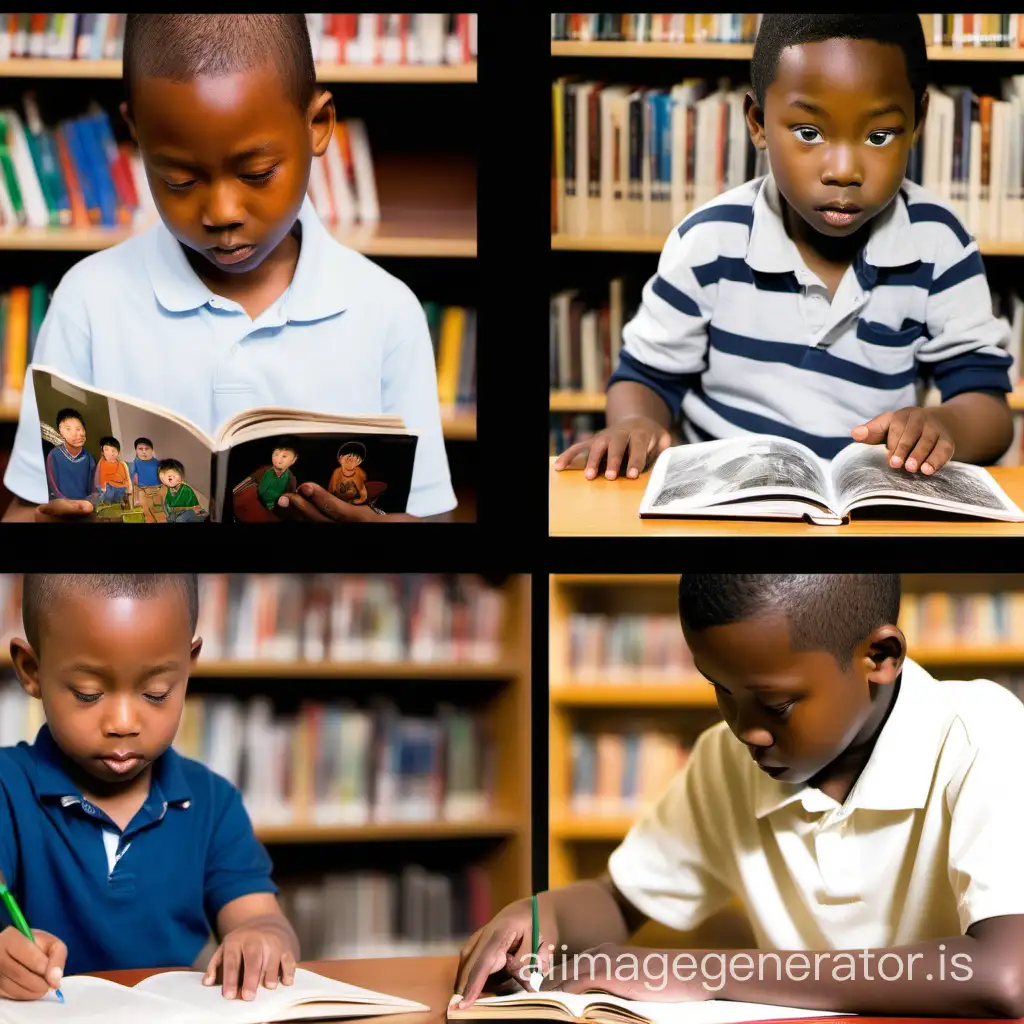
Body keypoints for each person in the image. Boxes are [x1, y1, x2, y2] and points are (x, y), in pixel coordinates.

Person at [456, 575, 1024, 1017]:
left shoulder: (984, 732)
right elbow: (622, 899)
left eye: (776, 706)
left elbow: (1006, 974)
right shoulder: (725, 759)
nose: (745, 730)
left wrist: (702, 972)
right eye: (720, 691)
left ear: (879, 657)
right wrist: (541, 912)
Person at [2, 13, 455, 522]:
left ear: (318, 127)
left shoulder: (387, 312)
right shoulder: (86, 302)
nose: (222, 214)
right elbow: (26, 513)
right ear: (136, 134)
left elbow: (428, 517)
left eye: (257, 174)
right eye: (179, 180)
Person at [553, 14, 1014, 484]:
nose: (843, 170)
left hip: (867, 516)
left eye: (878, 136)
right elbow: (645, 377)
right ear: (758, 123)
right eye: (809, 133)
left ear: (916, 122)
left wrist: (944, 426)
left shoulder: (940, 243)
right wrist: (637, 424)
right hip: (728, 513)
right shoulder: (707, 242)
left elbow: (989, 409)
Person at [0, 574, 299, 1001]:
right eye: (88, 693)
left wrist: (262, 940)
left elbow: (263, 920)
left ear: (188, 665)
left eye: (156, 693)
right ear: (31, 671)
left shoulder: (213, 803)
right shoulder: (7, 786)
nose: (123, 723)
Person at [43, 409, 95, 503]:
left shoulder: (89, 458)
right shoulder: (54, 455)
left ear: (84, 430)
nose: (75, 434)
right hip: (62, 505)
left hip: (84, 506)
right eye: (68, 429)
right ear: (61, 432)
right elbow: (53, 488)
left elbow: (93, 488)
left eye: (78, 429)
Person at [94, 436, 134, 507]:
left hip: (121, 486)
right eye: (106, 450)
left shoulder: (122, 464)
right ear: (102, 451)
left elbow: (127, 476)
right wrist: (103, 487)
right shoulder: (102, 463)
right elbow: (102, 476)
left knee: (118, 499)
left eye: (113, 451)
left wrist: (128, 487)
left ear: (118, 452)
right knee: (108, 496)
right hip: (109, 486)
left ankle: (119, 503)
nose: (111, 453)